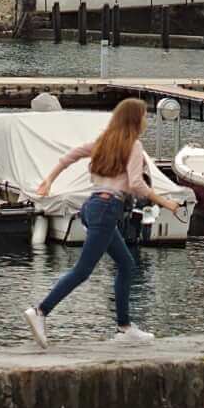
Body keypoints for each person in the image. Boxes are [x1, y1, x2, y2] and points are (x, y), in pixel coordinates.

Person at [26, 98, 166, 346]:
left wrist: (49, 179)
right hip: (106, 209)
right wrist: (164, 202)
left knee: (126, 263)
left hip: (93, 207)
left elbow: (70, 156)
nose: (146, 120)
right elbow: (135, 183)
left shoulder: (106, 142)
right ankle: (40, 311)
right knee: (82, 270)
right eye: (144, 115)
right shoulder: (133, 146)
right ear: (135, 119)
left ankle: (124, 327)